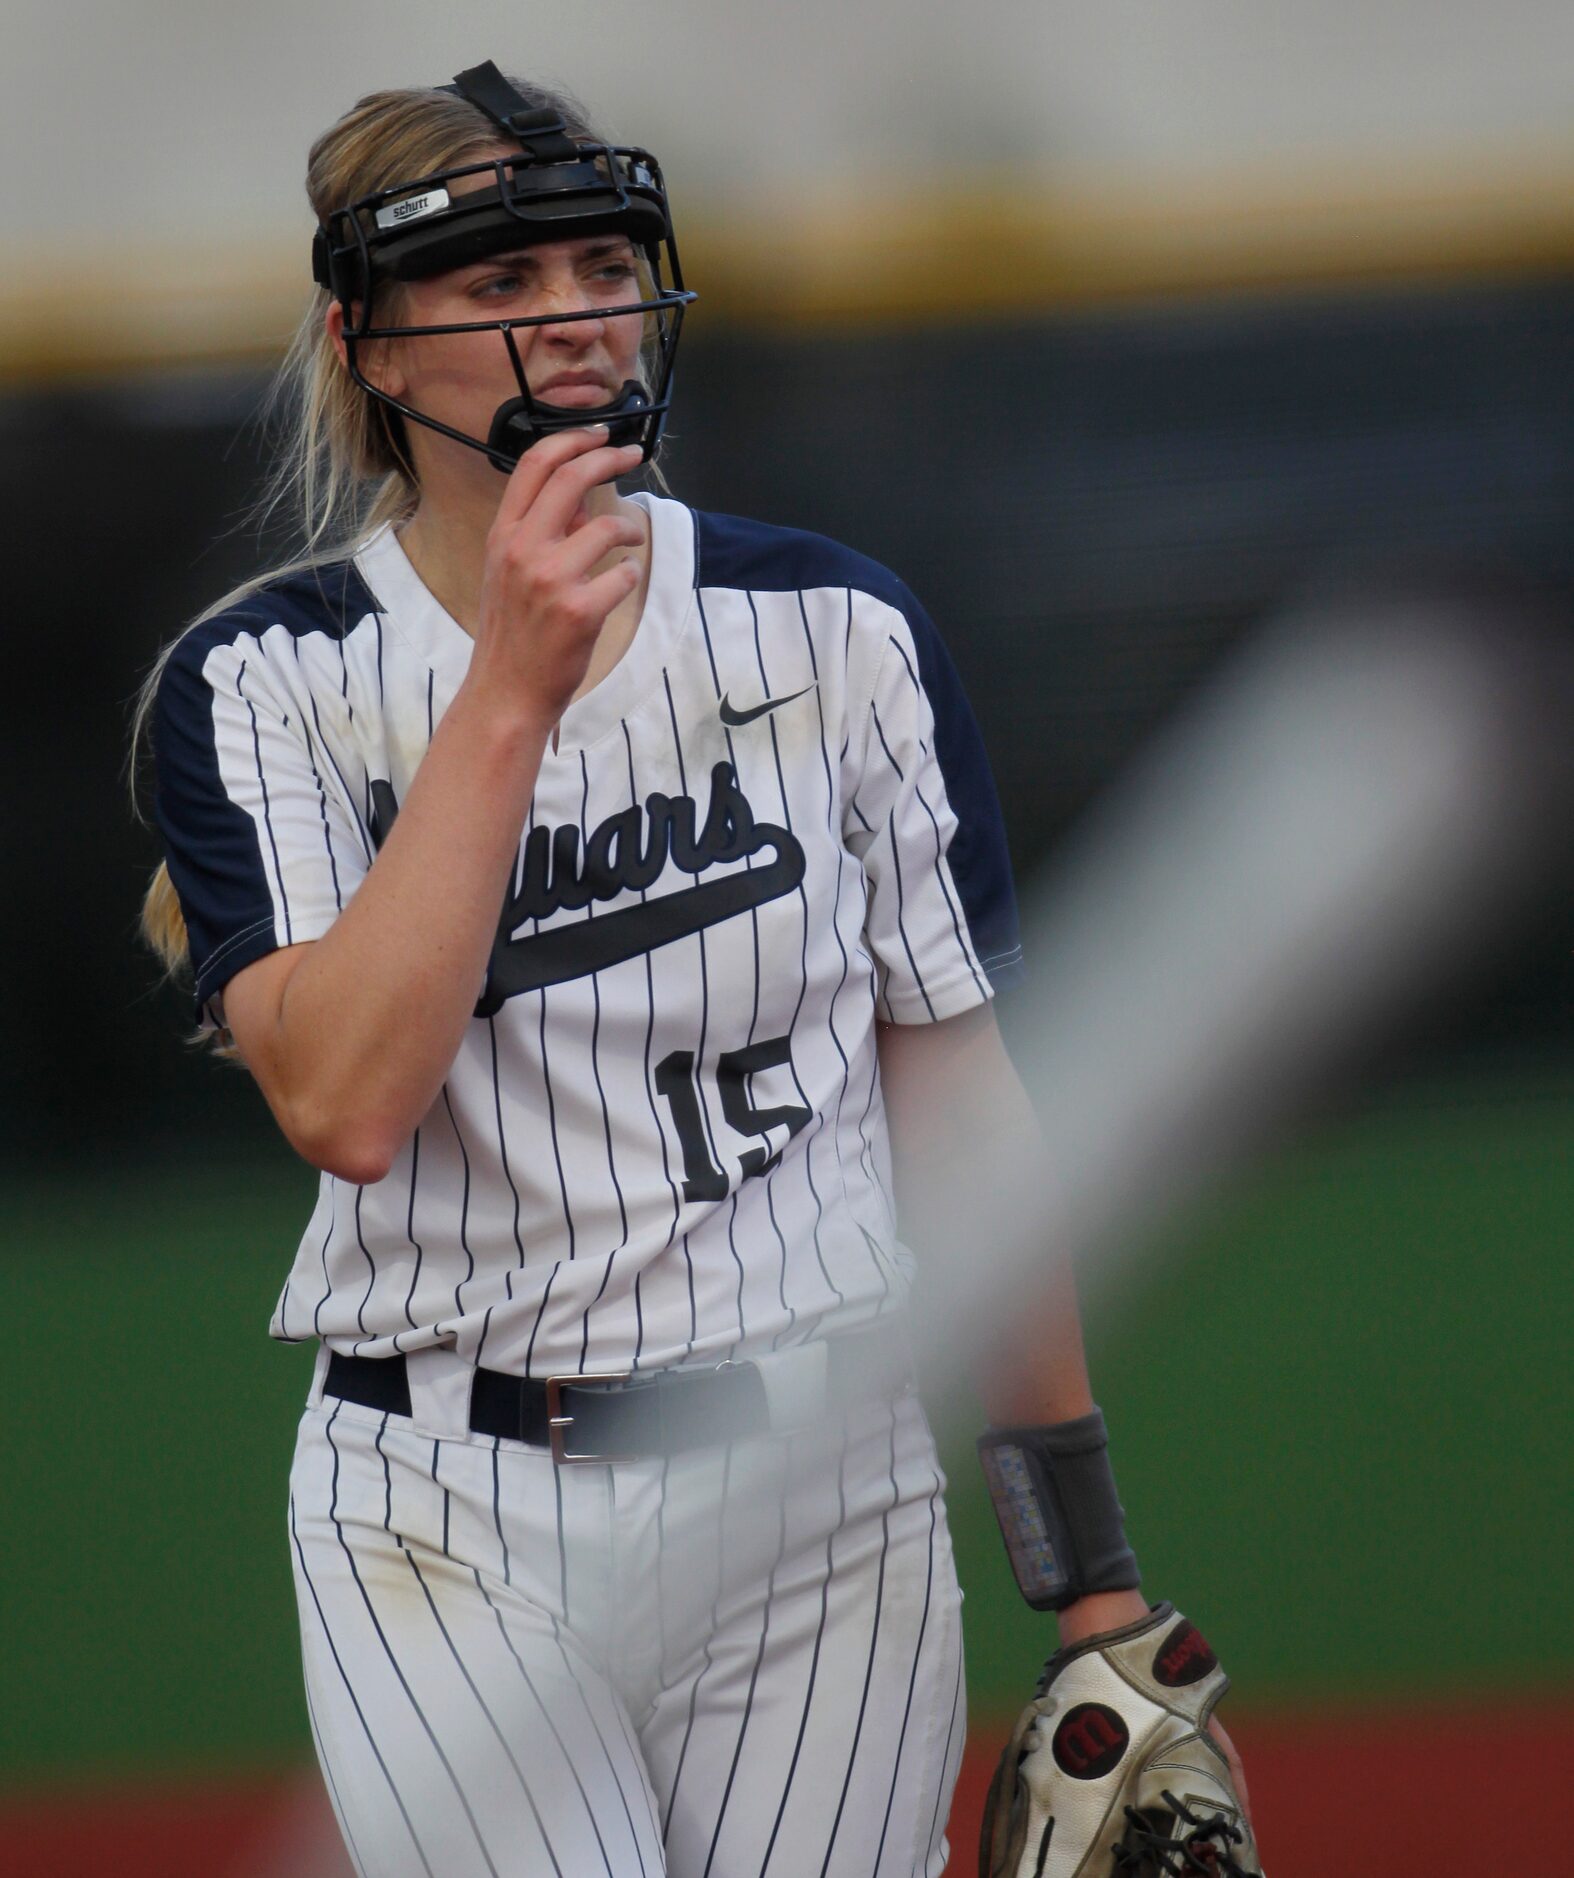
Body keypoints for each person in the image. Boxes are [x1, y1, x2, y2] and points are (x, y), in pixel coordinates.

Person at [138, 62, 1250, 1878]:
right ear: (370, 347)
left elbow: (957, 1096)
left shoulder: (833, 629)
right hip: (443, 1507)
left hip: (821, 1476)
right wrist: (511, 687)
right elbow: (343, 1102)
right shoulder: (266, 682)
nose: (567, 319)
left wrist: (1088, 1575)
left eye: (594, 265)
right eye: (496, 286)